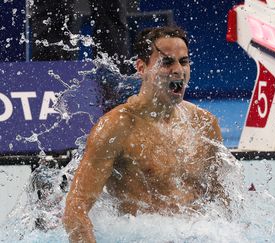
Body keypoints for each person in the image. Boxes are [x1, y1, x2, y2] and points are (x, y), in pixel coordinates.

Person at [62, 26, 227, 242]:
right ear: (141, 68)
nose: (178, 70)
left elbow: (223, 201)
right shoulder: (116, 128)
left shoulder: (204, 124)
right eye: (167, 62)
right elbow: (75, 209)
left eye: (183, 62)